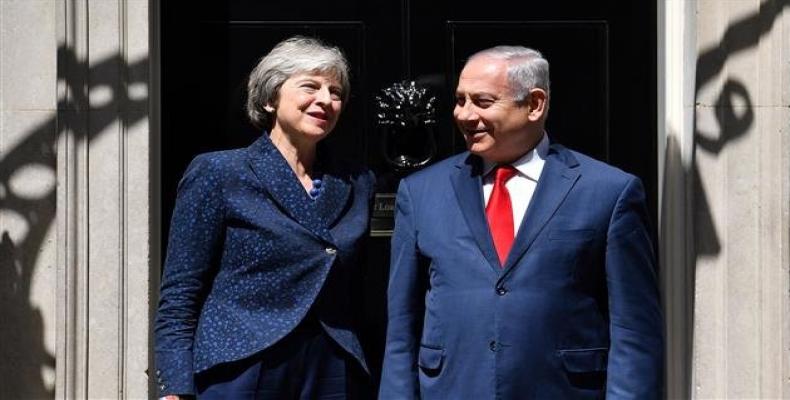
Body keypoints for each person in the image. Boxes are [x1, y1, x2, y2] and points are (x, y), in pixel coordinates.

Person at [379, 46, 663, 399]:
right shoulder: (421, 192)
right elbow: (401, 328)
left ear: (534, 104)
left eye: (482, 102)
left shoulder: (609, 191)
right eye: (459, 100)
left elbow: (634, 329)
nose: (464, 115)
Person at [154, 36, 374, 399]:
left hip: (331, 364)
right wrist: (175, 387)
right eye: (310, 86)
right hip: (243, 363)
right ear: (271, 98)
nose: (325, 100)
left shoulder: (357, 181)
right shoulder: (220, 172)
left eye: (335, 92)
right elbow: (181, 290)